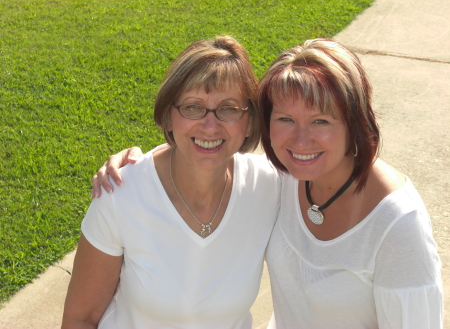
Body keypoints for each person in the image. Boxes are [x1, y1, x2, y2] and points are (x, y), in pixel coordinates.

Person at [92, 39, 443, 328]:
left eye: (321, 121)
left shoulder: (397, 224)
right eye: (286, 119)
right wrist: (135, 164)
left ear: (354, 122)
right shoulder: (284, 181)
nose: (300, 141)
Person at [62, 36, 281, 329]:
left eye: (228, 108)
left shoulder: (269, 187)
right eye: (192, 107)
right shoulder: (120, 194)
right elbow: (81, 318)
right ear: (168, 117)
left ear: (250, 122)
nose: (210, 125)